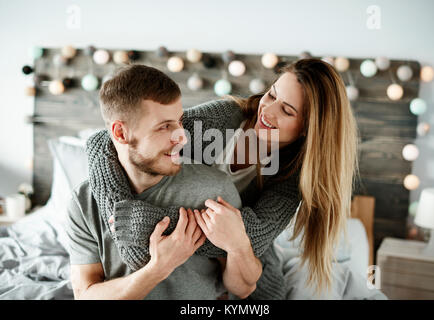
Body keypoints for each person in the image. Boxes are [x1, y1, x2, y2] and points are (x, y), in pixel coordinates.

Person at [87, 58, 360, 298]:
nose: (268, 111)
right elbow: (102, 141)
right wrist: (121, 216)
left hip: (249, 273)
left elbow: (248, 237)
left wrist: (145, 224)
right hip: (190, 263)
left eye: (287, 111)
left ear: (308, 129)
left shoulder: (293, 176)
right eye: (271, 95)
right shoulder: (224, 118)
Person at [67, 64, 262, 299]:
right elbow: (85, 294)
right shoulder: (84, 202)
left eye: (179, 121)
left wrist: (238, 245)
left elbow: (242, 289)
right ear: (120, 133)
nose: (181, 137)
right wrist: (158, 268)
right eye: (165, 127)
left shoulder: (213, 190)